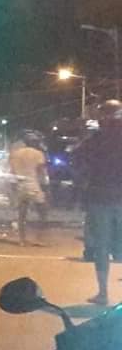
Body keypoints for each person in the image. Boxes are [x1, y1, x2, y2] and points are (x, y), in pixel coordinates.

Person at [74, 100, 122, 305]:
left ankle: (103, 293)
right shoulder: (97, 137)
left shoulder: (95, 138)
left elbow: (78, 159)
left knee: (101, 245)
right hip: (112, 197)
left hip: (100, 197)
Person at [8, 130, 49, 246]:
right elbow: (41, 171)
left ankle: (22, 239)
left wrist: (12, 186)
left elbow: (11, 171)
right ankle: (39, 237)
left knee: (22, 214)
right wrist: (45, 186)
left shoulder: (15, 154)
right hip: (33, 184)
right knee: (43, 212)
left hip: (20, 184)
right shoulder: (38, 154)